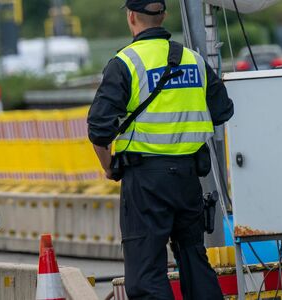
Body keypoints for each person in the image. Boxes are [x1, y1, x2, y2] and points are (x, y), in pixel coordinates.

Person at [87, 0, 234, 299]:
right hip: (188, 179)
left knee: (146, 273)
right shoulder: (193, 60)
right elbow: (222, 110)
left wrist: (108, 166)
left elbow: (99, 129)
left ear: (131, 17)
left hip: (145, 182)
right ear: (163, 16)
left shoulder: (124, 63)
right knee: (194, 260)